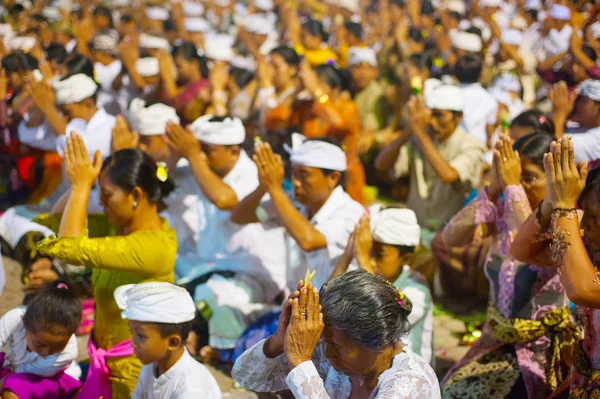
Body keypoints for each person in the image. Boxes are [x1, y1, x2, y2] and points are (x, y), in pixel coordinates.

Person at [33, 135, 177, 399]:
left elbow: (70, 247)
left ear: (136, 195)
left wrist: (81, 186)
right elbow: (57, 221)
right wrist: (83, 182)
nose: (100, 202)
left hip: (135, 374)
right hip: (106, 365)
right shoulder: (117, 229)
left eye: (107, 194)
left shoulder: (154, 247)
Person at [440, 133, 577, 398]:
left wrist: (512, 187)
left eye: (529, 177)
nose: (521, 186)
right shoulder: (503, 210)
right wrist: (493, 187)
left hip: (541, 349)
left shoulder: (566, 221)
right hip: (496, 341)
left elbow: (526, 245)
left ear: (554, 178)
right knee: (452, 391)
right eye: (515, 176)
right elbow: (450, 238)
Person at [163, 116, 286, 352]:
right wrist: (175, 156)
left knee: (207, 299)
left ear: (234, 152)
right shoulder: (199, 168)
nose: (202, 156)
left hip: (253, 275)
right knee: (164, 289)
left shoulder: (253, 175)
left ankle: (201, 338)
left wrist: (192, 156)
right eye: (199, 150)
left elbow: (223, 198)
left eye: (208, 151)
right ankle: (197, 334)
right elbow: (160, 190)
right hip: (208, 267)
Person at [232, 270, 440, 398]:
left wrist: (300, 362)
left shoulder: (412, 384)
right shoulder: (332, 355)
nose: (329, 356)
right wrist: (279, 339)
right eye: (325, 343)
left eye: (338, 347)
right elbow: (247, 377)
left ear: (378, 343)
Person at [510, 139, 600, 397]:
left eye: (596, 216)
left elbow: (583, 290)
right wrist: (553, 199)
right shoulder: (594, 244)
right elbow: (523, 251)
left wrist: (564, 208)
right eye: (585, 213)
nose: (583, 225)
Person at [231, 138, 364, 291]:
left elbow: (308, 240)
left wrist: (274, 188)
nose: (296, 182)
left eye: (304, 175)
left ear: (333, 178)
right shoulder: (293, 202)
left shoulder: (351, 213)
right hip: (295, 305)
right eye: (293, 174)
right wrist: (264, 186)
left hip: (335, 310)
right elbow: (239, 216)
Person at [374, 81, 486, 236]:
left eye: (439, 115)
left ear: (458, 117)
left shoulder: (471, 144)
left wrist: (419, 132)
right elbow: (381, 164)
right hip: (415, 227)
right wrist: (409, 129)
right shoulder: (421, 137)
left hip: (448, 233)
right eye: (430, 115)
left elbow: (448, 175)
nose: (432, 123)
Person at [332, 205, 434, 365]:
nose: (371, 260)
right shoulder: (367, 273)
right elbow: (329, 299)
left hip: (406, 376)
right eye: (368, 251)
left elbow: (382, 311)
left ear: (406, 259)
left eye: (379, 255)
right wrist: (346, 256)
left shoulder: (417, 290)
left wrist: (362, 257)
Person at [21, 66, 116, 206]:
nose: (64, 116)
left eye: (67, 111)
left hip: (97, 206)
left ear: (88, 104)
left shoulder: (112, 125)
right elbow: (30, 136)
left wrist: (48, 109)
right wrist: (40, 105)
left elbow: (78, 144)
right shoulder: (73, 125)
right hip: (69, 202)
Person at [114, 282, 222, 398]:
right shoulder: (150, 368)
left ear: (173, 342)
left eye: (141, 336)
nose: (132, 343)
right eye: (132, 333)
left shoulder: (191, 390)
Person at [0, 282, 82, 399]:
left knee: (12, 387)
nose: (46, 352)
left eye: (57, 347)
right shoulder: (15, 318)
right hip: (15, 366)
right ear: (24, 324)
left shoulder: (69, 351)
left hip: (54, 378)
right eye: (40, 344)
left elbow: (18, 374)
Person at [550, 79, 600, 163]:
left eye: (583, 101)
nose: (578, 105)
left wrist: (559, 114)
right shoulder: (580, 126)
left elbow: (557, 152)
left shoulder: (597, 138)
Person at [455, 53, 499, 148]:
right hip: (476, 146)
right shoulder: (489, 99)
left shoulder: (448, 93)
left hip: (454, 144)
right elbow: (489, 131)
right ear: (480, 74)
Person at [349, 46, 388, 132]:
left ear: (376, 71)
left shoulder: (376, 94)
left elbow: (369, 131)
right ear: (350, 69)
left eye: (368, 68)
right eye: (358, 67)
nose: (363, 73)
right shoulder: (347, 88)